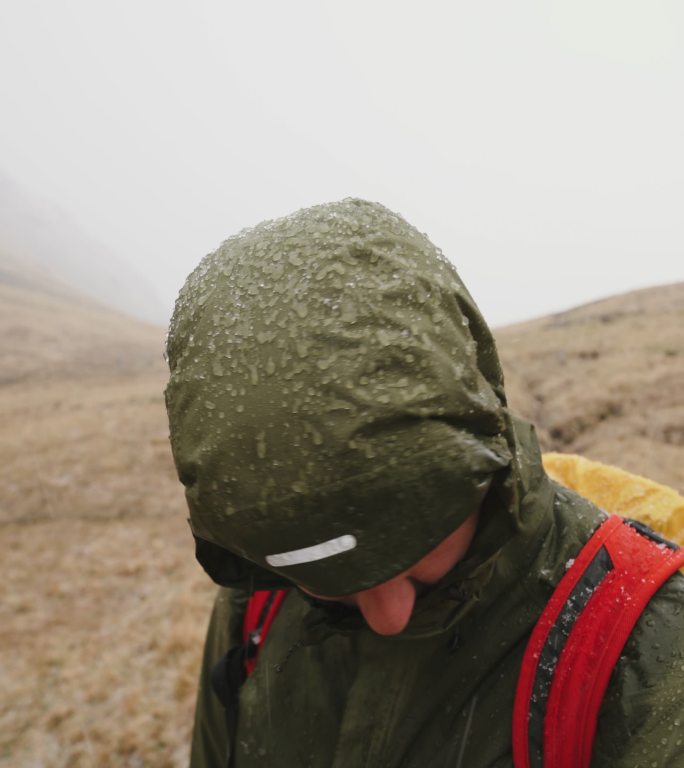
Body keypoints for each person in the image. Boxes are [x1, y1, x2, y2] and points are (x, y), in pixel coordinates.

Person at [164, 199, 684, 768]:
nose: (388, 616)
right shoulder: (254, 604)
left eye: (411, 544)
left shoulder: (653, 659)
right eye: (328, 583)